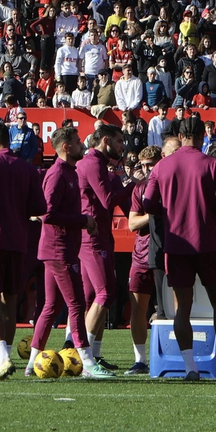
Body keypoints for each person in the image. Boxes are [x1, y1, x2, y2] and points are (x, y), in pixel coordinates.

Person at [141, 115, 216, 380]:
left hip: (176, 244)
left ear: (180, 136)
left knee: (183, 307)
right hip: (207, 242)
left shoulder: (162, 167)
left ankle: (190, 366)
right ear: (202, 136)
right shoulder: (212, 165)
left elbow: (147, 204)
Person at [29, 126, 114, 379]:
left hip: (57, 248)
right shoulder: (57, 174)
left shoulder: (69, 172)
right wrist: (82, 220)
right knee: (76, 304)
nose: (82, 145)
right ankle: (87, 362)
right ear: (66, 147)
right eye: (77, 142)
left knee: (52, 306)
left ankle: (32, 362)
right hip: (59, 249)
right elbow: (48, 214)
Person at [0, 121, 48, 381]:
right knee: (10, 300)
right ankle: (4, 358)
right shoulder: (27, 169)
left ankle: (3, 358)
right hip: (18, 242)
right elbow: (40, 206)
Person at [77, 124, 132, 373]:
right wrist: (130, 186)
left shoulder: (93, 162)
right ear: (106, 140)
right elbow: (108, 200)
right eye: (120, 141)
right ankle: (85, 356)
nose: (122, 146)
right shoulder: (93, 163)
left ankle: (92, 354)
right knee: (105, 293)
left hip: (96, 234)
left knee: (93, 297)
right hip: (93, 236)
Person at [123, 143, 166, 376]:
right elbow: (131, 223)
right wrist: (152, 215)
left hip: (165, 254)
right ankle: (140, 360)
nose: (148, 170)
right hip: (141, 254)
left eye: (152, 164)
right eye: (144, 165)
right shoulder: (139, 189)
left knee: (169, 308)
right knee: (138, 308)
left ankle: (172, 357)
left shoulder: (169, 186)